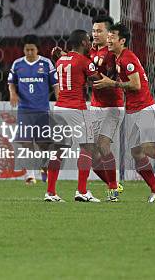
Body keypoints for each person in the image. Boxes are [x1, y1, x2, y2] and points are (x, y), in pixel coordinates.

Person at [94, 23, 155, 202]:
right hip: (131, 109)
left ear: (122, 40)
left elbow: (136, 85)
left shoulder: (127, 58)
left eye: (112, 37)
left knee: (148, 149)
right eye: (108, 36)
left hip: (145, 107)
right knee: (136, 153)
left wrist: (112, 84)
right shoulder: (117, 58)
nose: (108, 39)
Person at [48, 30, 100, 202]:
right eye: (89, 40)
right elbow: (97, 80)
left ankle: (50, 192)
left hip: (59, 108)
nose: (91, 42)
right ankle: (82, 191)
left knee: (59, 149)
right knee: (87, 147)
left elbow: (71, 66)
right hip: (77, 109)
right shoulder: (85, 62)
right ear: (84, 43)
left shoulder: (61, 60)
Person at [8, 34, 59, 184]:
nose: (29, 53)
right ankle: (30, 174)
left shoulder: (46, 63)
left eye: (32, 50)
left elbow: (55, 85)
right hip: (24, 109)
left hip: (42, 109)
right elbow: (11, 82)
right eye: (27, 50)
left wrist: (60, 100)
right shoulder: (17, 64)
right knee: (26, 142)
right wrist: (13, 93)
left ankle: (44, 169)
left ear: (37, 49)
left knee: (43, 143)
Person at [88, 15, 124, 201]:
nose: (95, 34)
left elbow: (119, 76)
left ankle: (113, 191)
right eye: (94, 30)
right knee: (93, 159)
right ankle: (114, 184)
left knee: (103, 145)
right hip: (95, 106)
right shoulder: (91, 51)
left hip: (113, 106)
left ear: (109, 33)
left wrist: (111, 81)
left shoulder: (113, 53)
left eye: (99, 30)